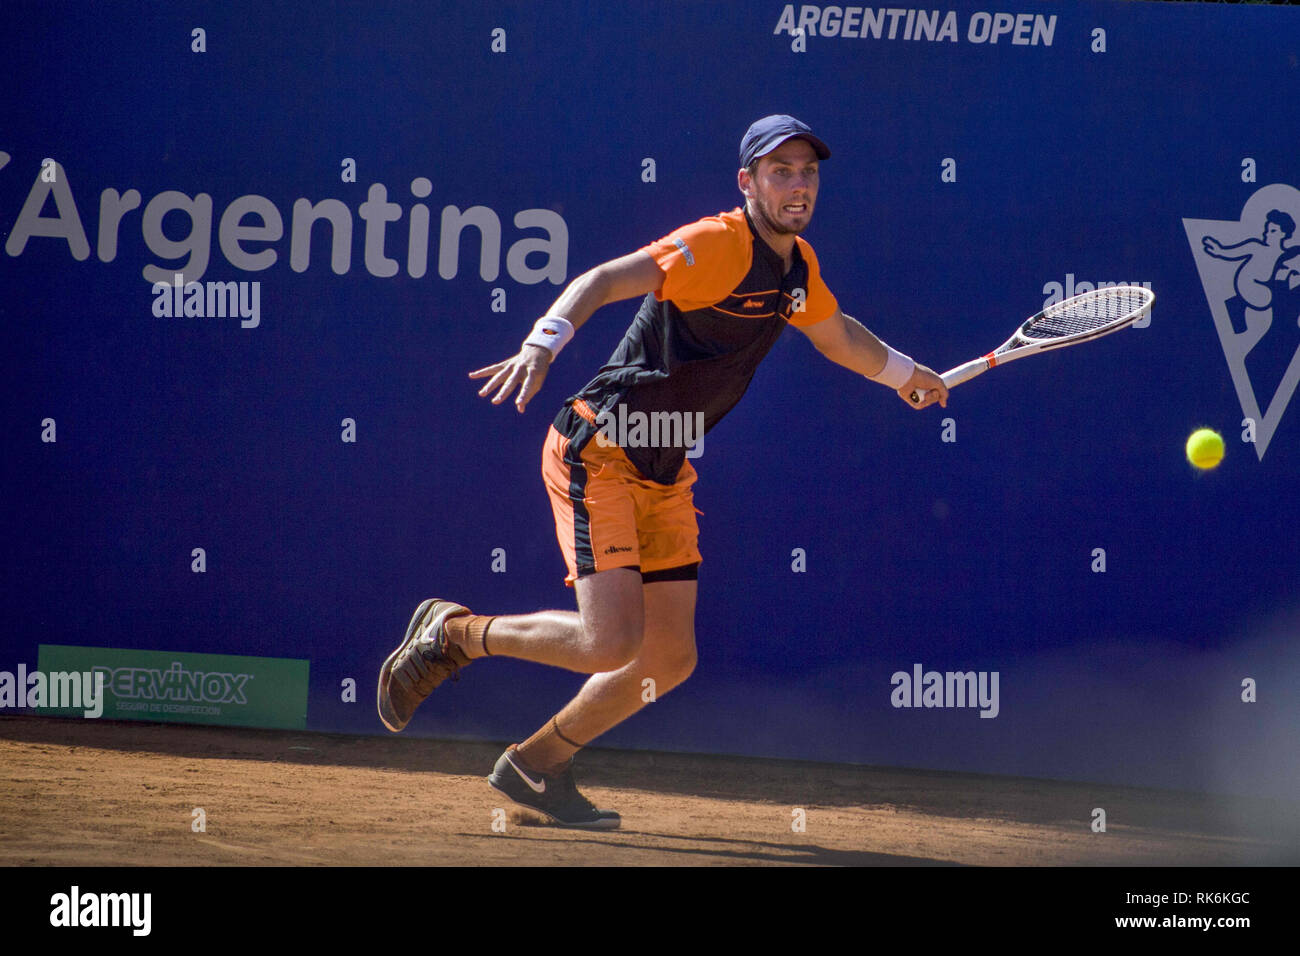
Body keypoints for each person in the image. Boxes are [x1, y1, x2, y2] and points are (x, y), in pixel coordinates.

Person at [377, 115, 949, 829]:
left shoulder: (797, 267)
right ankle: (454, 635)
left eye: (807, 172)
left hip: (664, 464)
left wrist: (903, 374)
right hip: (600, 449)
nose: (798, 185)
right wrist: (542, 342)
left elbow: (836, 335)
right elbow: (603, 278)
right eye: (780, 172)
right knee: (609, 642)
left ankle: (536, 764)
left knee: (669, 658)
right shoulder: (717, 243)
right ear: (748, 183)